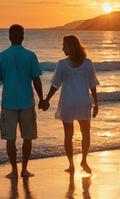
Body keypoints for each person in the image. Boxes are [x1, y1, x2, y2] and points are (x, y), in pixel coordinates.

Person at [0, 24, 45, 179]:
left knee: (10, 138)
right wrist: (42, 99)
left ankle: (13, 170)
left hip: (8, 102)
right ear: (23, 37)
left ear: (9, 37)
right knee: (28, 137)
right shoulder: (30, 55)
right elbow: (36, 80)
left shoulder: (2, 56)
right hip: (27, 101)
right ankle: (24, 169)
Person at [42, 34, 99, 173]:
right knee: (86, 133)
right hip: (83, 102)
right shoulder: (88, 63)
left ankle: (71, 165)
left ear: (70, 47)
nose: (62, 48)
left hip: (67, 102)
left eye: (64, 45)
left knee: (68, 134)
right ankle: (84, 161)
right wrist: (96, 103)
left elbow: (55, 85)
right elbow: (92, 85)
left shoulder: (62, 64)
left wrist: (46, 100)